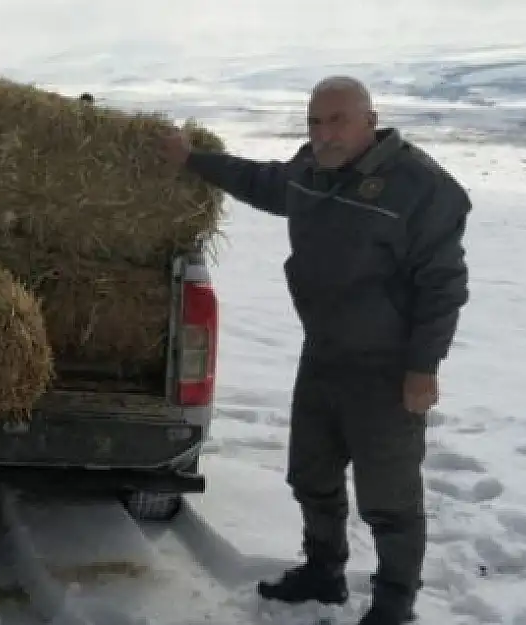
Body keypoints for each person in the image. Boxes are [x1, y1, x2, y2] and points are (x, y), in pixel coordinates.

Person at [154, 76, 470, 625]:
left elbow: (444, 286)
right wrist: (193, 160)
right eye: (314, 122)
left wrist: (423, 367)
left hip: (387, 369)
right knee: (311, 475)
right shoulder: (310, 172)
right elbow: (260, 181)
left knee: (389, 500)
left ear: (371, 120)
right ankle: (324, 572)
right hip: (323, 355)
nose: (324, 134)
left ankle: (395, 603)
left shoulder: (421, 189)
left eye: (337, 120)